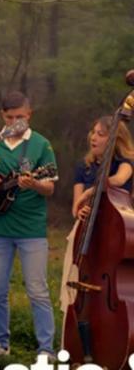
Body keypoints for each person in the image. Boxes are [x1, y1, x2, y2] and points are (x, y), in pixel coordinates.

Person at [0, 91, 57, 359]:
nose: (15, 123)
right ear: (2, 115)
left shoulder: (41, 145)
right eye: (10, 117)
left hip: (31, 229)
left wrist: (34, 183)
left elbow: (50, 188)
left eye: (20, 117)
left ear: (29, 115)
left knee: (37, 290)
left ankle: (46, 348)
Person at [60, 116, 134, 331]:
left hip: (114, 234)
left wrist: (92, 191)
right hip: (84, 233)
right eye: (93, 132)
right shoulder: (83, 167)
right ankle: (72, 336)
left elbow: (118, 180)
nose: (93, 137)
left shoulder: (125, 163)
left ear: (115, 139)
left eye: (101, 134)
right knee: (76, 285)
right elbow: (76, 207)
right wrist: (80, 210)